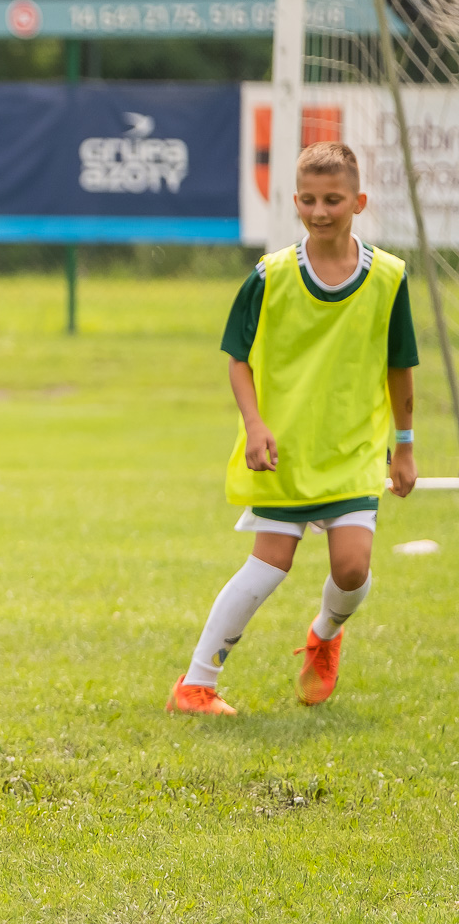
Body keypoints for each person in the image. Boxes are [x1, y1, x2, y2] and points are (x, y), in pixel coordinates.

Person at [168, 141, 417, 716]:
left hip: (353, 450)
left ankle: (325, 635)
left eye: (333, 199)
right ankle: (194, 686)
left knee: (352, 569)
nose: (320, 211)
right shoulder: (270, 275)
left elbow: (399, 367)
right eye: (308, 200)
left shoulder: (389, 278)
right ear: (296, 202)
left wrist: (403, 447)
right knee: (266, 567)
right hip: (284, 451)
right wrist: (254, 426)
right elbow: (237, 356)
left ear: (359, 201)